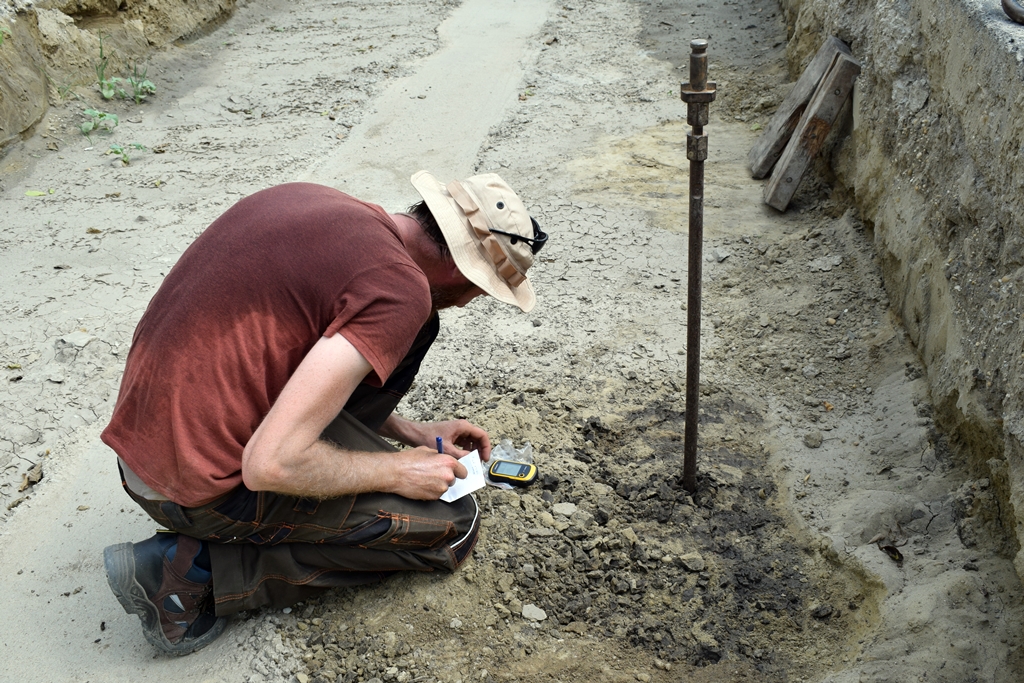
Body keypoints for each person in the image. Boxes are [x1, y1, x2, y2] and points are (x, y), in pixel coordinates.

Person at [100, 170, 547, 655]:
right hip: (191, 489)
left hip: (142, 448)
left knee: (419, 329)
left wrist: (408, 431)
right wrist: (394, 469)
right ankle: (187, 571)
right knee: (452, 526)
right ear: (464, 271)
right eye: (484, 288)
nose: (472, 301)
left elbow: (283, 354)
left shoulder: (314, 200)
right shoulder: (400, 291)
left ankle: (310, 463)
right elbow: (270, 464)